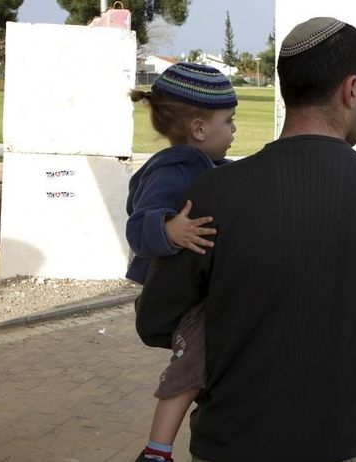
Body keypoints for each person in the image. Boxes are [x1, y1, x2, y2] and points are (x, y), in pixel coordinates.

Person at [136, 17, 356, 461]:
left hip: (231, 443)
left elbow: (155, 321)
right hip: (348, 440)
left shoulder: (214, 193)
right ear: (352, 89)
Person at [125, 62, 239, 462]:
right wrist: (170, 230)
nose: (235, 130)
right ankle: (157, 450)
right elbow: (139, 224)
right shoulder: (173, 169)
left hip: (197, 290)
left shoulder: (204, 165)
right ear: (199, 129)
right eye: (230, 121)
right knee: (193, 362)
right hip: (179, 297)